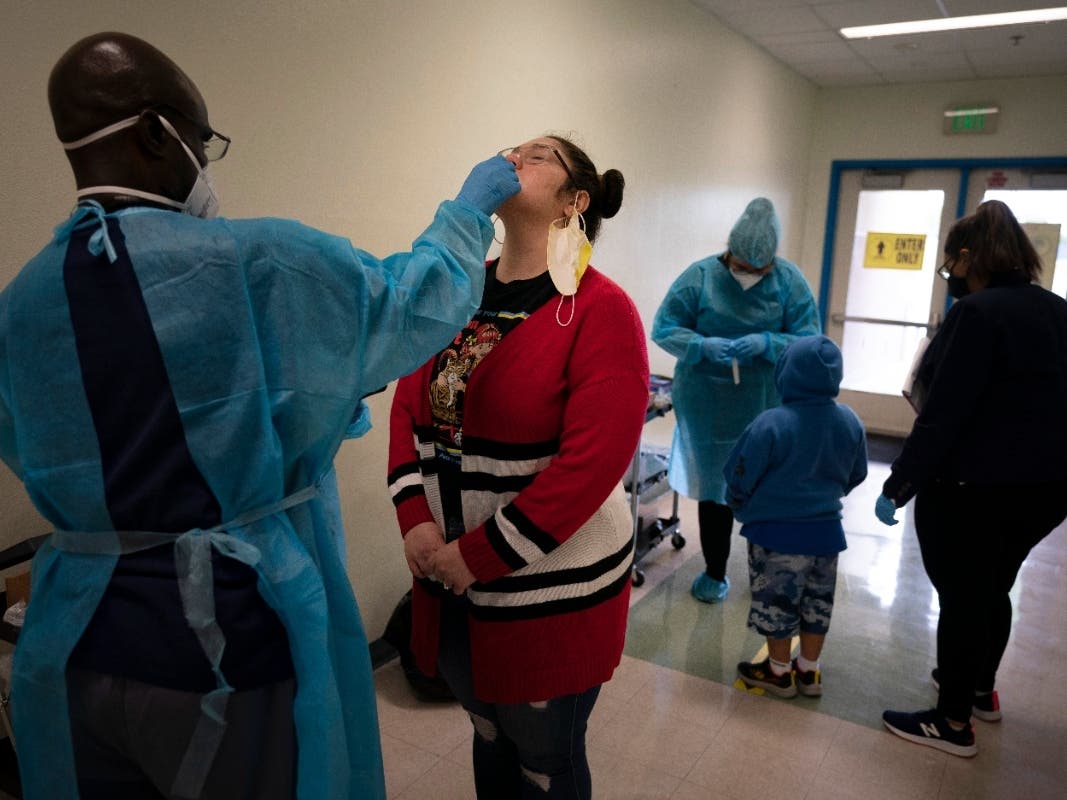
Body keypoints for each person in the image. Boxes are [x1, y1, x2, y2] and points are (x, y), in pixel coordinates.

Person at [0, 32, 520, 800]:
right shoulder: (259, 262)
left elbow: (104, 427)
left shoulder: (21, 305)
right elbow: (410, 304)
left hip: (74, 641)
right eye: (202, 140)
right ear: (156, 133)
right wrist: (466, 213)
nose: (206, 166)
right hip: (219, 648)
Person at [387, 135, 648, 799]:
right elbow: (407, 403)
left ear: (574, 201)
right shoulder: (457, 290)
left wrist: (479, 556)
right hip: (450, 577)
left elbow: (592, 464)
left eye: (535, 155)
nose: (511, 158)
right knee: (487, 734)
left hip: (547, 586)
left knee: (542, 759)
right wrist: (414, 520)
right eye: (508, 148)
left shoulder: (598, 308)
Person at [876, 200, 1067, 757]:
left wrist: (899, 484)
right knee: (993, 586)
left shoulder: (977, 314)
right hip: (1047, 488)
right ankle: (980, 689)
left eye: (949, 265)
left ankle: (952, 722)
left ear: (966, 257)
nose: (950, 278)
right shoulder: (1059, 311)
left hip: (977, 486)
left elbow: (945, 412)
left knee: (962, 596)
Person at [651, 197, 820, 603]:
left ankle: (771, 573)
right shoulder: (701, 277)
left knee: (766, 488)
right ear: (731, 252)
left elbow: (809, 338)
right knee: (716, 490)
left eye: (759, 270)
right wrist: (702, 345)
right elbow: (664, 327)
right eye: (743, 266)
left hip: (766, 402)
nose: (750, 274)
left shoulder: (789, 282)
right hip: (707, 403)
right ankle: (715, 571)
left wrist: (768, 342)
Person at [725, 335, 867, 697]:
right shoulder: (849, 420)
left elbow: (740, 473)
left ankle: (778, 672)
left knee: (778, 604)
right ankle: (809, 671)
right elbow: (857, 472)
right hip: (826, 535)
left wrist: (738, 502)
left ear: (785, 374)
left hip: (775, 536)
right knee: (817, 604)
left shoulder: (771, 423)